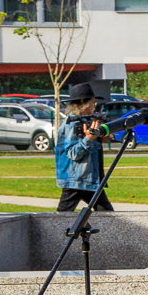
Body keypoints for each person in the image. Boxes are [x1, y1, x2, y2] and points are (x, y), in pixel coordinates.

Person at [55, 83, 114, 213]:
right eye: (92, 102)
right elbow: (73, 153)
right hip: (75, 180)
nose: (94, 106)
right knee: (61, 217)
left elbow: (88, 146)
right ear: (83, 102)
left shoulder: (85, 120)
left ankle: (84, 226)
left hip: (89, 179)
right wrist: (89, 139)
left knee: (107, 214)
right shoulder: (72, 123)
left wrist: (100, 139)